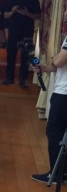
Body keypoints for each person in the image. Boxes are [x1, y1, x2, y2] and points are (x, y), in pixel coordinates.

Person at [32, 33, 67, 183]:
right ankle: (63, 172)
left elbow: (59, 61)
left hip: (64, 94)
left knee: (54, 132)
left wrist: (53, 58)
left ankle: (56, 173)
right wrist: (45, 68)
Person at [3, 0, 41, 87]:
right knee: (11, 54)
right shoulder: (13, 0)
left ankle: (23, 78)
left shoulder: (33, 0)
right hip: (13, 31)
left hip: (27, 32)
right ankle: (9, 77)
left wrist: (27, 14)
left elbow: (39, 16)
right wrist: (13, 11)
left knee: (26, 56)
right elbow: (5, 15)